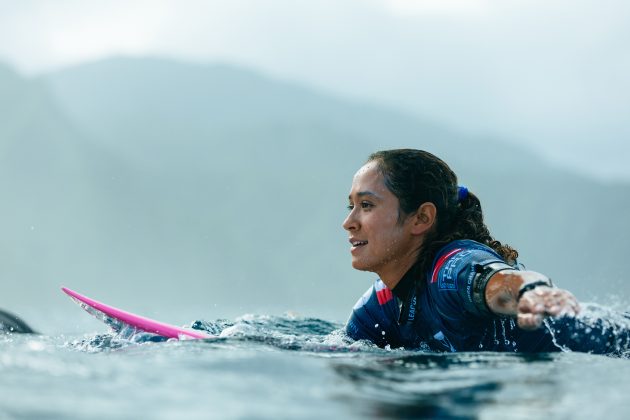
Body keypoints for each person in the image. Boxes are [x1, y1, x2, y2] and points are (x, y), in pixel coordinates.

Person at [344, 149, 629, 354]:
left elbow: (497, 281)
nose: (349, 222)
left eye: (367, 205)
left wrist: (530, 292)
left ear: (421, 218)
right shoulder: (376, 309)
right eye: (351, 206)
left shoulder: (451, 267)